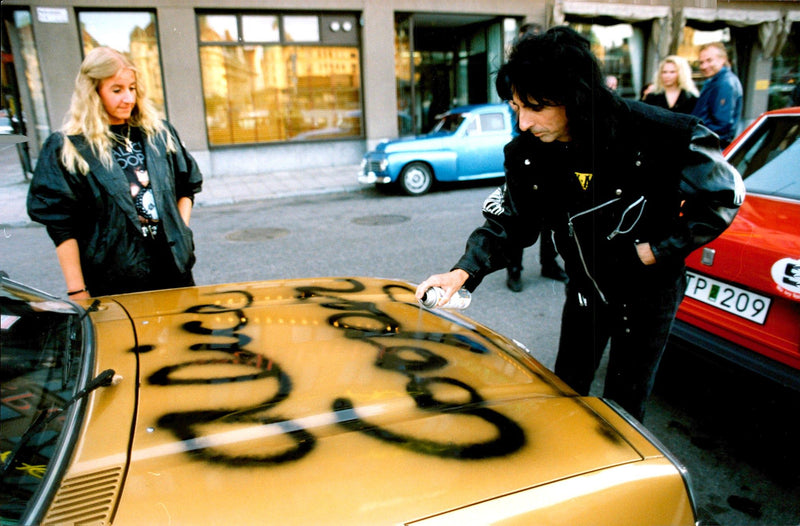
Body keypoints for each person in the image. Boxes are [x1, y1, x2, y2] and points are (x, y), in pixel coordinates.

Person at [415, 27, 743, 422]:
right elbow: (511, 219)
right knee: (566, 390)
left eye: (535, 107)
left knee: (624, 406)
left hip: (648, 295)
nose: (523, 123)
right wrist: (463, 271)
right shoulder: (527, 152)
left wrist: (657, 250)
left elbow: (723, 197)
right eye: (516, 107)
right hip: (585, 290)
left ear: (575, 96)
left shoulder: (661, 133)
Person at [28, 47, 203, 299]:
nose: (128, 98)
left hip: (174, 272)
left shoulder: (158, 133)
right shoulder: (68, 146)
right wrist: (77, 290)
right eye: (117, 90)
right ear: (94, 92)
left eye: (132, 88)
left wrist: (179, 229)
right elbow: (60, 224)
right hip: (114, 282)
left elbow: (187, 186)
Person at [505, 22, 567, 291]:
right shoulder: (512, 78)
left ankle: (549, 263)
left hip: (551, 147)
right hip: (526, 153)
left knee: (554, 210)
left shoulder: (553, 78)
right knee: (520, 210)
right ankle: (514, 268)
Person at [691, 42, 743, 148]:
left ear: (723, 59)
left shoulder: (725, 83)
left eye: (709, 60)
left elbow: (722, 125)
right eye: (701, 62)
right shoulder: (714, 81)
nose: (704, 66)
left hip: (711, 147)